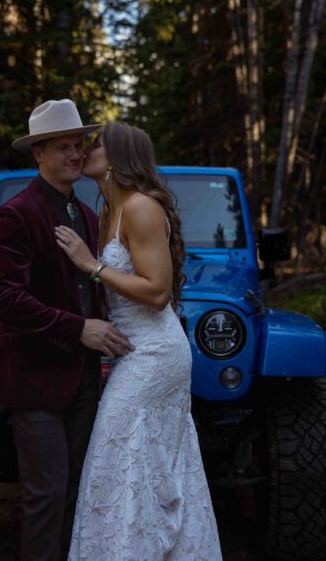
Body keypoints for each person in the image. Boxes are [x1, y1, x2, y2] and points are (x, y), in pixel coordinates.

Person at [57, 122, 222, 560]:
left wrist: (90, 265)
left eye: (96, 144)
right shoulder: (107, 212)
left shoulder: (141, 207)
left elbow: (157, 292)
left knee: (119, 458)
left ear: (118, 156)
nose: (85, 150)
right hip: (132, 351)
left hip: (155, 353)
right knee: (140, 464)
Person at [0, 99, 136, 561]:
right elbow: (5, 301)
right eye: (62, 147)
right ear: (38, 154)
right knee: (45, 494)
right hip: (33, 379)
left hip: (85, 380)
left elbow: (93, 287)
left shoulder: (88, 217)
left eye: (78, 145)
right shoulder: (14, 215)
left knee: (77, 488)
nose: (74, 154)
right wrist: (78, 330)